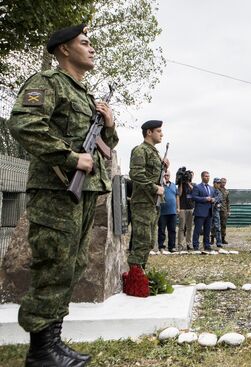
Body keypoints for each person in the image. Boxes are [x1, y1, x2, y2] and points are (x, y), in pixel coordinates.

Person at [8, 24, 118, 366]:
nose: (92, 48)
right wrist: (70, 157)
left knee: (72, 265)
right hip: (56, 191)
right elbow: (24, 123)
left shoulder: (85, 95)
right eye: (84, 43)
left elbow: (106, 150)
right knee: (53, 265)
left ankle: (53, 341)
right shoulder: (47, 83)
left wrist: (109, 127)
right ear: (64, 50)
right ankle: (40, 352)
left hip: (83, 192)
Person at [128, 120, 168, 268]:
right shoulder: (140, 150)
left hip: (152, 203)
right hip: (142, 203)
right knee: (141, 242)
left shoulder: (154, 152)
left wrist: (163, 166)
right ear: (149, 132)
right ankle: (134, 278)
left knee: (149, 242)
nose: (161, 134)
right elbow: (136, 174)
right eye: (158, 131)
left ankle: (140, 273)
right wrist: (154, 188)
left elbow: (152, 174)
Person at [192, 171, 215, 251]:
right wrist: (205, 199)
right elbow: (194, 197)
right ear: (202, 177)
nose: (207, 177)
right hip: (200, 212)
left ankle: (207, 245)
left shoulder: (211, 188)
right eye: (206, 176)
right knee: (197, 230)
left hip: (209, 212)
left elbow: (215, 197)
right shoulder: (197, 187)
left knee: (207, 230)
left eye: (208, 176)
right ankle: (195, 245)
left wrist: (213, 199)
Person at [158, 170, 178, 253]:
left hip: (172, 211)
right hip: (162, 211)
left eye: (168, 175)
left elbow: (177, 196)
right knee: (162, 230)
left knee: (172, 230)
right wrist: (162, 184)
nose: (166, 177)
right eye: (165, 175)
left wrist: (178, 207)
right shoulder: (160, 185)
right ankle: (161, 246)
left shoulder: (173, 185)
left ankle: (172, 247)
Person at [176, 171, 195, 250]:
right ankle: (180, 244)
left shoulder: (193, 185)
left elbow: (194, 192)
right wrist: (181, 183)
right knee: (181, 227)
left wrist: (188, 182)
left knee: (189, 227)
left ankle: (189, 243)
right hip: (182, 208)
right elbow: (179, 194)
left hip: (190, 208)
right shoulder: (181, 184)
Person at [210, 177, 224, 247]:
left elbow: (220, 201)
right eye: (217, 183)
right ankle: (209, 240)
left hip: (215, 211)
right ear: (214, 183)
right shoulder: (210, 190)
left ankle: (218, 242)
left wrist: (215, 200)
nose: (219, 184)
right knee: (209, 226)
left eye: (219, 183)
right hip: (208, 210)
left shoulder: (219, 192)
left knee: (217, 227)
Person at [219, 177, 231, 244]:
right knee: (214, 225)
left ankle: (223, 238)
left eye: (224, 182)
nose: (223, 184)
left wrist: (229, 211)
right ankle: (212, 238)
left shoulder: (227, 191)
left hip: (224, 210)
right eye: (222, 182)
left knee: (223, 225)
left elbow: (228, 202)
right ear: (220, 182)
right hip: (217, 210)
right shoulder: (216, 190)